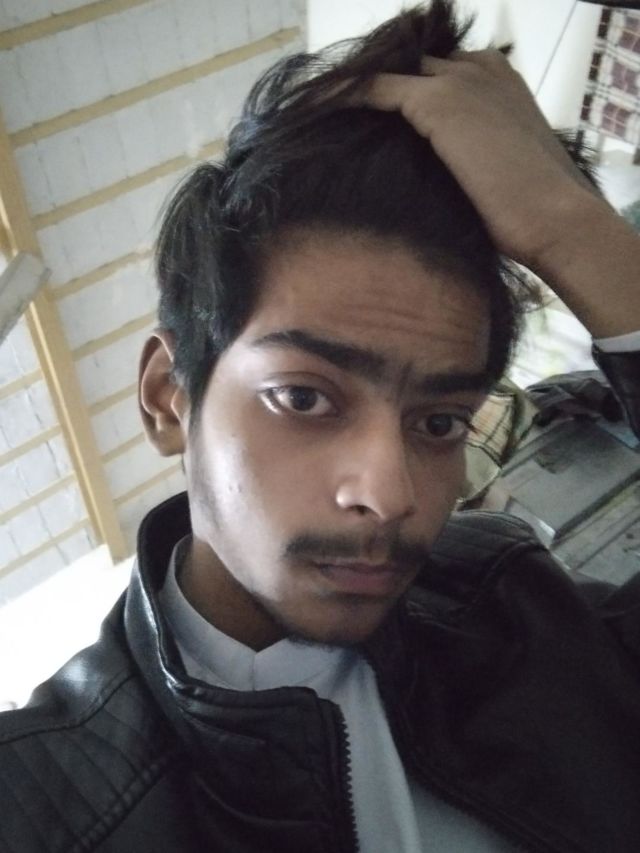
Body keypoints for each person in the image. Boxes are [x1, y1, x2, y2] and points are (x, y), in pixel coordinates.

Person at [2, 2, 640, 851]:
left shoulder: (513, 605)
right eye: (303, 398)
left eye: (439, 420)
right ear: (167, 397)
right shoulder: (46, 795)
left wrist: (575, 230)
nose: (390, 494)